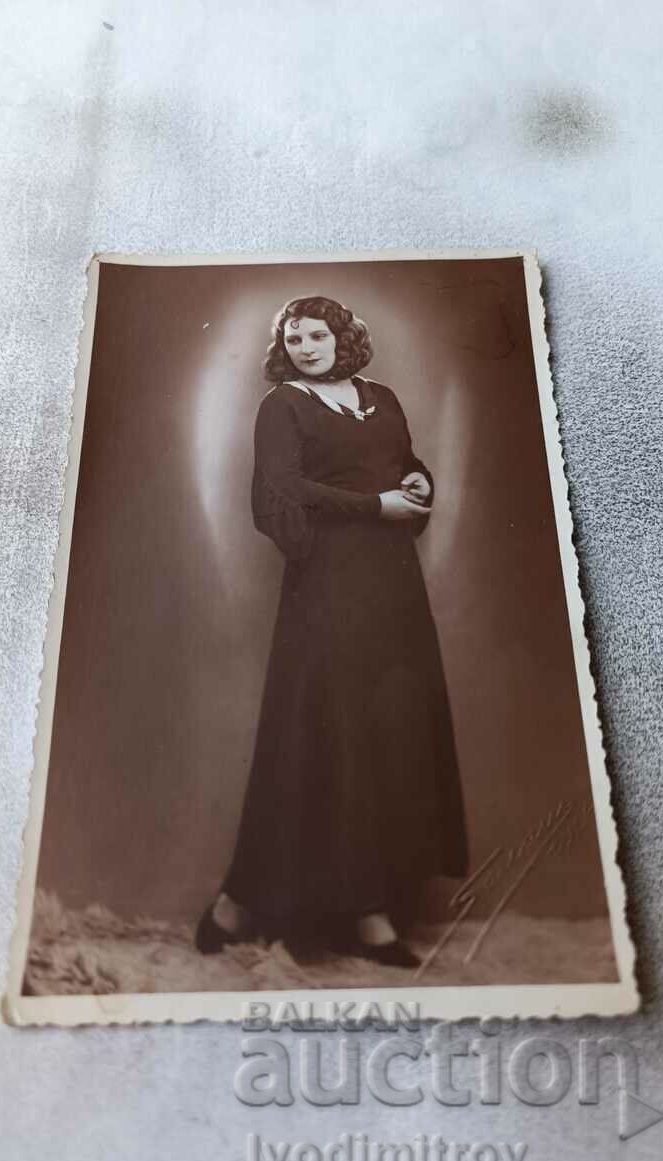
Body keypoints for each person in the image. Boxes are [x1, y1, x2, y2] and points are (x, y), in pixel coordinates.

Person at [195, 295, 468, 968]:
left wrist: (414, 481)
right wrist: (375, 505)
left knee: (384, 736)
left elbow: (407, 465)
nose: (306, 346)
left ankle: (370, 909)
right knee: (319, 739)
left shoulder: (380, 397)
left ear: (341, 337)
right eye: (294, 337)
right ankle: (241, 903)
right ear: (282, 346)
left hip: (392, 587)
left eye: (317, 334)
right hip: (326, 586)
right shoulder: (282, 406)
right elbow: (279, 493)